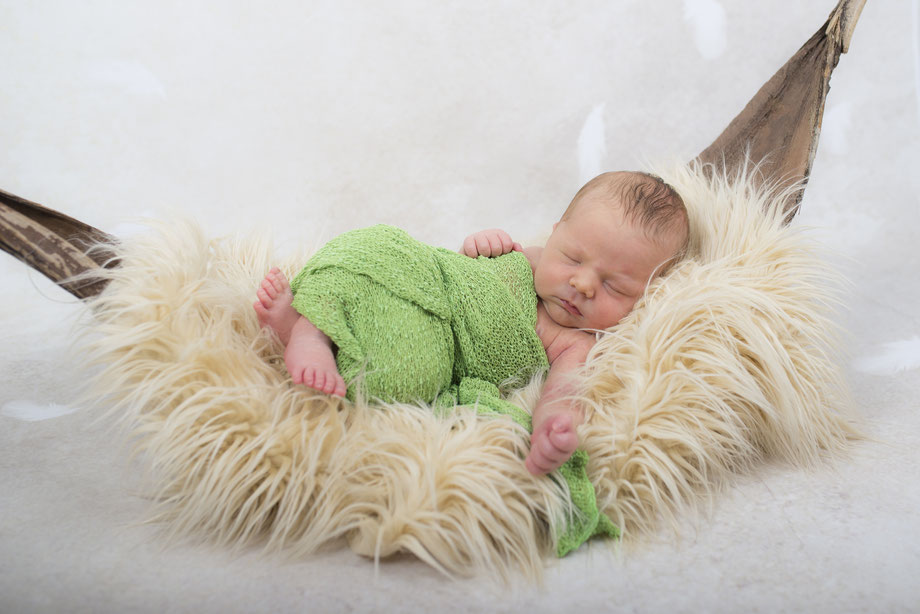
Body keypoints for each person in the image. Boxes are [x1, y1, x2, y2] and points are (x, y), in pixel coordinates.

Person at [254, 171, 689, 476]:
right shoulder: (528, 257)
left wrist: (553, 428)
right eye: (573, 258)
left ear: (647, 295)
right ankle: (307, 329)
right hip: (428, 276)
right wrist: (481, 245)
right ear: (555, 232)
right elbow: (462, 272)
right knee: (380, 244)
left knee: (411, 374)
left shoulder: (575, 342)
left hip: (439, 337)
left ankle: (318, 334)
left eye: (615, 287)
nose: (582, 283)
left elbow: (565, 391)